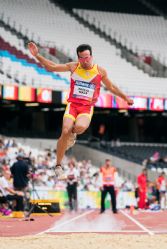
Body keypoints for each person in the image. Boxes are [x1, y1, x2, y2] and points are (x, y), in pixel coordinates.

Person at [28, 42, 134, 176]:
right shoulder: (73, 66)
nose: (85, 60)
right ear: (78, 58)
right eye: (82, 58)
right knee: (64, 130)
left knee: (80, 127)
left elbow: (112, 87)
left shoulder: (100, 71)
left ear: (91, 56)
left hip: (86, 108)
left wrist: (125, 98)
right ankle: (58, 165)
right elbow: (52, 67)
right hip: (72, 105)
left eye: (87, 57)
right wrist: (37, 55)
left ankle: (72, 134)